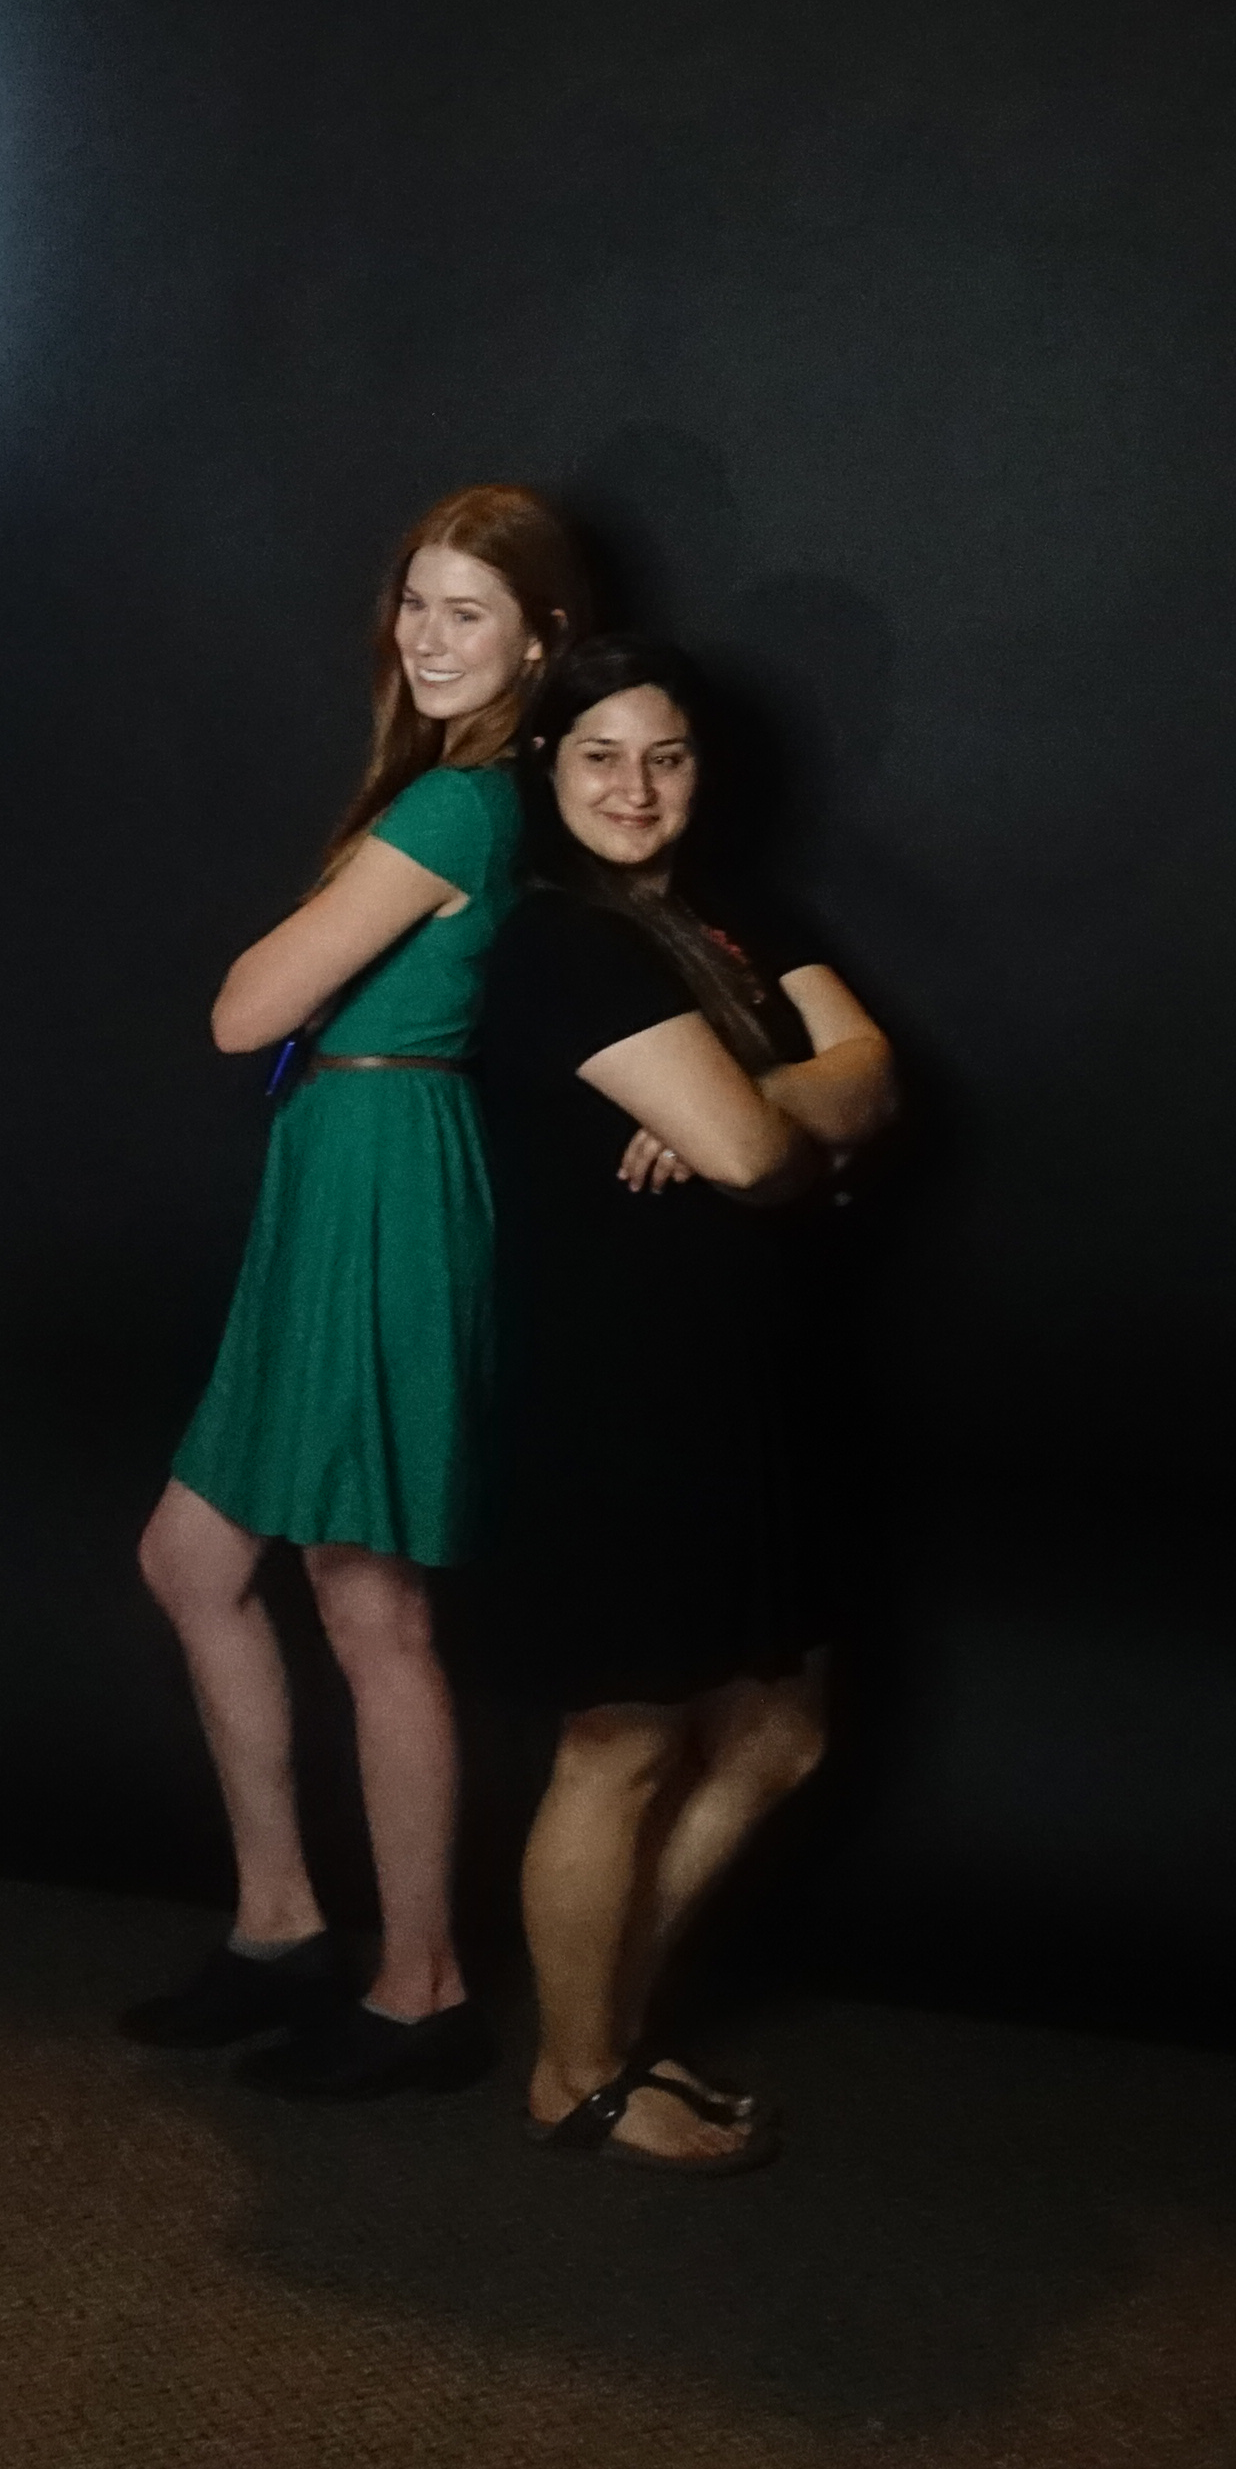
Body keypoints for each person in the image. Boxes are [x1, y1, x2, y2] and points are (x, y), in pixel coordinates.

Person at [120, 483, 594, 2100]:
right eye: (416, 602)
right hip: (342, 1167)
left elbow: (246, 1009)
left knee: (371, 1606)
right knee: (194, 1559)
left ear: (540, 640)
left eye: (470, 612)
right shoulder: (453, 790)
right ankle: (280, 1927)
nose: (430, 637)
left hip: (389, 1178)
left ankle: (423, 1988)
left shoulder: (462, 805)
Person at [474, 632, 898, 2173]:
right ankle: (579, 2075)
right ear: (550, 771)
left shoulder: (730, 918)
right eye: (600, 758)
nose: (636, 789)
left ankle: (610, 2022)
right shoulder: (558, 945)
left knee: (780, 1731)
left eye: (665, 758)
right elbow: (761, 1163)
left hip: (754, 1387)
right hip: (623, 1401)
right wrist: (768, 1121)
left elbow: (874, 1074)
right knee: (626, 1742)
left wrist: (751, 1096)